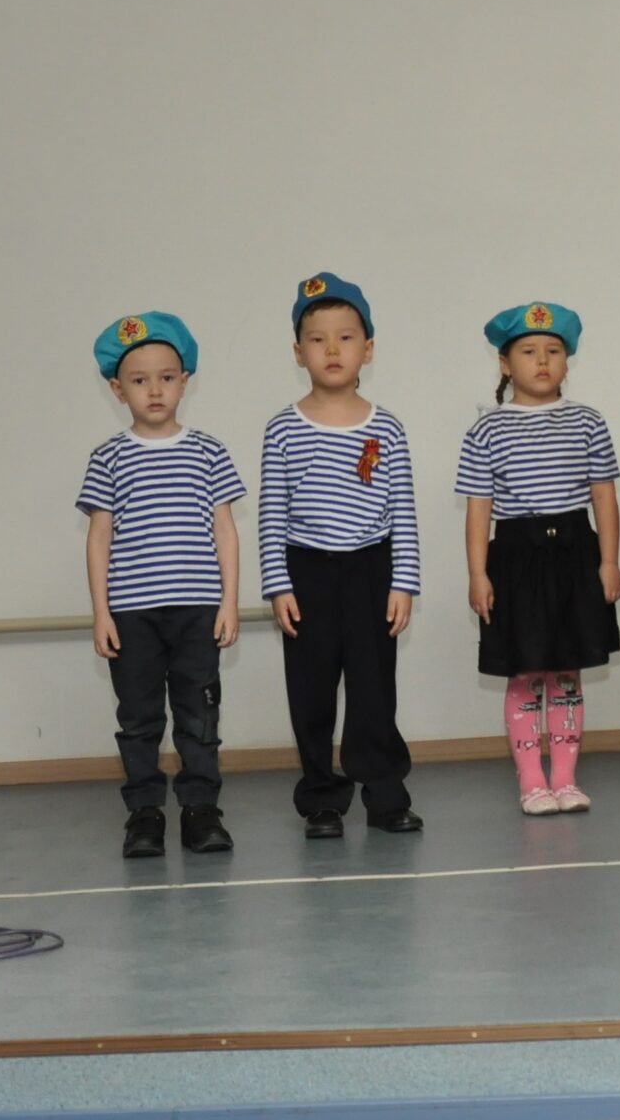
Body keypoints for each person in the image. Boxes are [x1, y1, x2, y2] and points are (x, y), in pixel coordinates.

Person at [260, 272, 424, 838]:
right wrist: (278, 585)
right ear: (298, 353)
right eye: (318, 339)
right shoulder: (283, 429)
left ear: (368, 349)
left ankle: (385, 793)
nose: (332, 349)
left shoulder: (388, 429)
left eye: (346, 338)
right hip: (306, 570)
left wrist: (403, 583)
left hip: (371, 569)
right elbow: (272, 515)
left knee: (374, 688)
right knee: (311, 692)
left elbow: (403, 511)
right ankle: (322, 799)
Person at [77, 311, 243, 858]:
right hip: (132, 614)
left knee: (199, 713)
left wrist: (229, 603)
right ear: (117, 389)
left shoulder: (208, 451)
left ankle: (201, 810)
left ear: (184, 381)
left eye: (166, 377)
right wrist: (102, 613)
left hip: (197, 610)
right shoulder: (109, 457)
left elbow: (225, 530)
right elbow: (99, 538)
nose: (154, 390)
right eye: (139, 380)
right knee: (139, 717)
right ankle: (144, 814)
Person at [456, 301, 620, 815]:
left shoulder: (588, 422)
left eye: (553, 350)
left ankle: (566, 779)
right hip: (516, 559)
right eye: (528, 351)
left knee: (567, 672)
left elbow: (604, 497)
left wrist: (609, 562)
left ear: (568, 361)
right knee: (525, 671)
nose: (542, 360)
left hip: (575, 554)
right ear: (505, 364)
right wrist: (478, 574)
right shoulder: (486, 430)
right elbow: (479, 509)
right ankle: (532, 781)